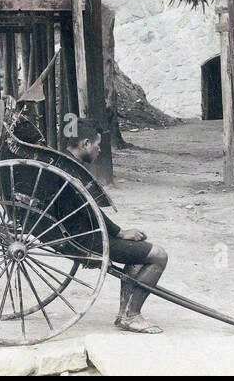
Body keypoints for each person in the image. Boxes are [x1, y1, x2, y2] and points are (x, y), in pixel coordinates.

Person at [63, 117, 169, 334]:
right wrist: (120, 232)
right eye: (97, 145)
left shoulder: (62, 164)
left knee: (139, 247)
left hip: (78, 232)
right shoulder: (72, 172)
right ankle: (131, 315)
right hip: (87, 238)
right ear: (85, 144)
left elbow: (88, 209)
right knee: (158, 255)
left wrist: (122, 233)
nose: (99, 150)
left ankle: (125, 314)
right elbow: (91, 210)